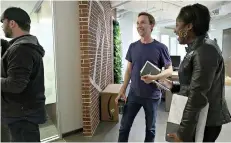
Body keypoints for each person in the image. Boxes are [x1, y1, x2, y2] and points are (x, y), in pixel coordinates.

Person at [159, 3, 231, 142]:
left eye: (177, 25)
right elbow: (195, 86)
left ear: (189, 26)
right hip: (198, 118)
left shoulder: (204, 50)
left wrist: (183, 134)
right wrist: (173, 86)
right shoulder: (198, 48)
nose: (175, 30)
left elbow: (198, 96)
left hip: (205, 121)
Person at [115, 12, 173, 142]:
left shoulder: (161, 47)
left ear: (151, 25)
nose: (139, 25)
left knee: (150, 130)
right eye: (137, 23)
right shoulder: (133, 46)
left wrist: (155, 77)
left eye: (142, 22)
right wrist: (123, 89)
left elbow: (169, 70)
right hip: (134, 95)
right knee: (124, 127)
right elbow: (129, 70)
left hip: (152, 97)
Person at [1, 7, 46, 142]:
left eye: (3, 22)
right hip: (24, 113)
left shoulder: (21, 49)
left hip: (22, 116)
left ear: (12, 23)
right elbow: (10, 52)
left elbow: (15, 84)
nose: (2, 27)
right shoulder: (25, 45)